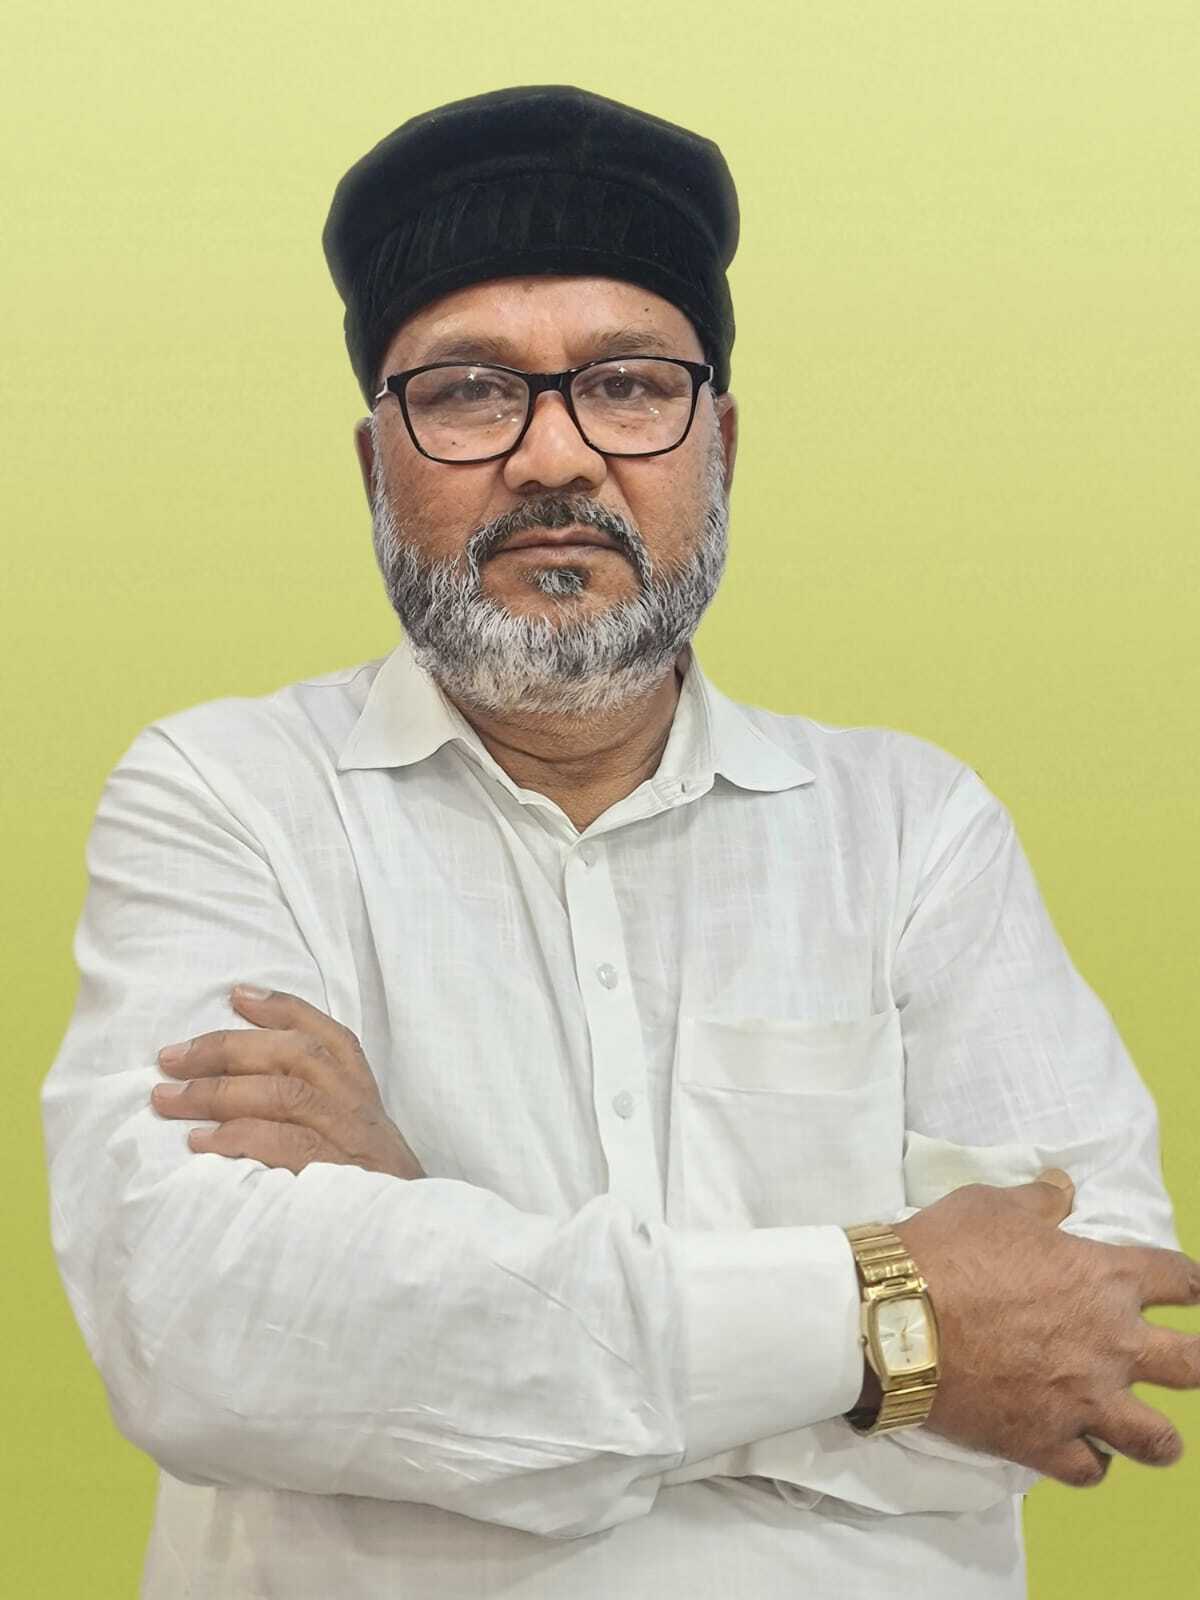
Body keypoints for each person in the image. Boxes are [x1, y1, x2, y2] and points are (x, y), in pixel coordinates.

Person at [40, 85, 1199, 1600]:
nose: (553, 457)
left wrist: (425, 1238)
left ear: (723, 444)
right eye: (469, 392)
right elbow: (206, 1342)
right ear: (374, 464)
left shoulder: (916, 833)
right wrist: (894, 1323)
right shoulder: (228, 796)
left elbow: (1079, 1343)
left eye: (630, 385)